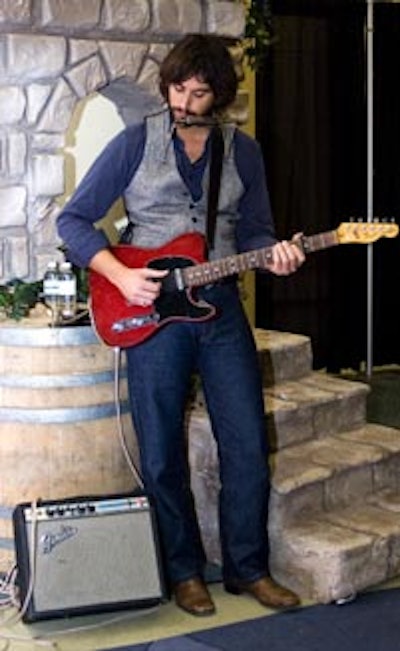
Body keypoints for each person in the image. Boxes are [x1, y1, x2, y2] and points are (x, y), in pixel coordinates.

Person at [57, 33, 305, 617]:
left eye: (197, 94)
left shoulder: (242, 150)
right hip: (150, 313)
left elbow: (255, 231)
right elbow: (73, 221)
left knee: (245, 443)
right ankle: (184, 570)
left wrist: (274, 253)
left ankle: (248, 568)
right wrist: (119, 276)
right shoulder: (134, 142)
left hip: (221, 312)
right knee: (162, 448)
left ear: (217, 97)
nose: (183, 102)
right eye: (176, 88)